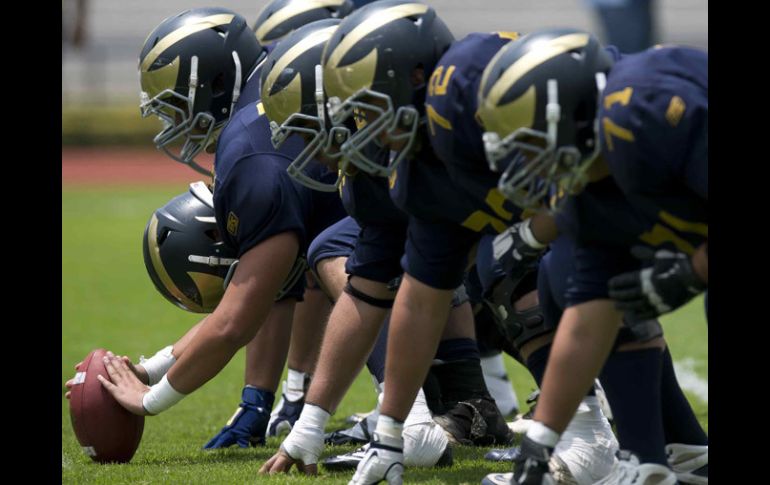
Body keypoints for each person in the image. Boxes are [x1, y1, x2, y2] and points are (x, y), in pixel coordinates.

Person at [66, 9, 349, 452]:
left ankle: (410, 420)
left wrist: (149, 399)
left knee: (361, 272)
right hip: (425, 191)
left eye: (177, 104)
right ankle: (452, 408)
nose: (173, 123)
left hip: (419, 200)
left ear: (218, 83)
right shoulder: (267, 75)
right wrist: (150, 369)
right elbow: (273, 290)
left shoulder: (248, 154)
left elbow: (235, 319)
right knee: (352, 256)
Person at [258, 3, 512, 478]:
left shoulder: (472, 86)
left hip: (631, 183)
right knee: (475, 270)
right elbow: (375, 293)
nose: (332, 145)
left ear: (416, 75)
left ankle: (590, 431)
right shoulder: (399, 166)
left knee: (520, 267)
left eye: (360, 108)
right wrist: (327, 426)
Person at [476, 27, 707, 484]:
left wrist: (691, 273)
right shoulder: (587, 188)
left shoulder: (649, 110)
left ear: (571, 116)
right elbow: (587, 322)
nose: (525, 165)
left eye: (531, 143)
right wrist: (541, 439)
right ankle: (648, 462)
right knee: (573, 282)